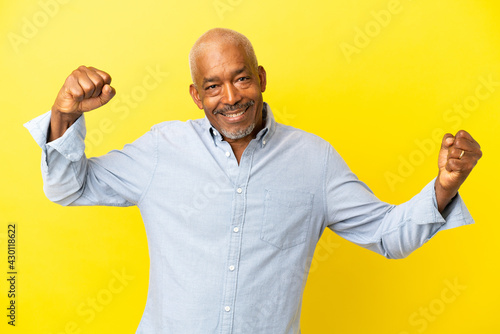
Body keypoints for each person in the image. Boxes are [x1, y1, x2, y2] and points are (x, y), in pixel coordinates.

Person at [24, 28, 482, 334]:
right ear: (195, 95)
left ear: (260, 78)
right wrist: (64, 114)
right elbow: (69, 188)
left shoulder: (313, 160)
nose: (230, 98)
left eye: (241, 79)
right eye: (213, 86)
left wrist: (444, 185)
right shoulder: (163, 150)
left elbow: (388, 237)